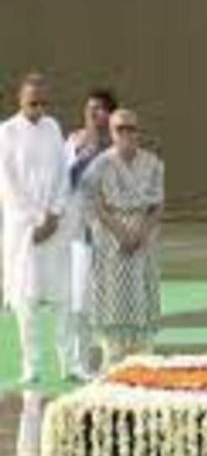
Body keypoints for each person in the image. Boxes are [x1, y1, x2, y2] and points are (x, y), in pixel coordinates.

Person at [0, 74, 73, 382]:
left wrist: (54, 215)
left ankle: (69, 363)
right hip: (23, 231)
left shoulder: (53, 127)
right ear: (20, 100)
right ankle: (32, 365)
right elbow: (8, 184)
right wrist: (36, 220)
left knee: (61, 297)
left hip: (54, 226)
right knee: (26, 300)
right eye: (33, 103)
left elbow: (62, 174)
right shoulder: (6, 132)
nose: (39, 108)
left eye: (43, 102)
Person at [89, 109, 163, 366]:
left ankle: (144, 356)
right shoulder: (99, 165)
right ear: (111, 132)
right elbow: (96, 205)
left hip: (143, 237)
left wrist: (140, 233)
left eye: (131, 128)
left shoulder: (153, 163)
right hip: (111, 238)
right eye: (120, 129)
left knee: (142, 294)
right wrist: (121, 232)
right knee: (112, 298)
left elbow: (158, 206)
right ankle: (112, 357)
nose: (126, 134)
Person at [64, 88, 118, 377]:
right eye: (89, 109)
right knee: (79, 300)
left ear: (110, 114)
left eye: (99, 109)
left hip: (110, 234)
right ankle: (78, 363)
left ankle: (113, 359)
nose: (92, 114)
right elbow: (64, 182)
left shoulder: (118, 146)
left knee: (110, 301)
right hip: (80, 234)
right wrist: (84, 152)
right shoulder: (74, 142)